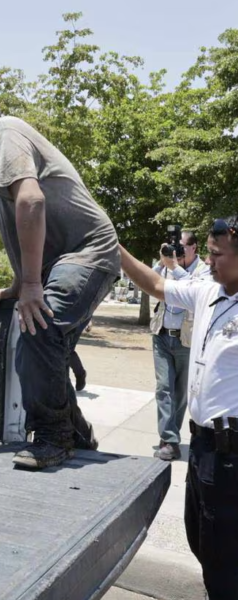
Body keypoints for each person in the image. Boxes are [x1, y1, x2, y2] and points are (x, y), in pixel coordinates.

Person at [0, 81, 120, 470]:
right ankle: (76, 431)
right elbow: (16, 229)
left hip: (87, 251)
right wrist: (20, 282)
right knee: (36, 349)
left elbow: (32, 201)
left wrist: (32, 285)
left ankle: (54, 436)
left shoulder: (6, 131)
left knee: (39, 326)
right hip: (59, 262)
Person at [120, 217, 238, 600]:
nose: (209, 259)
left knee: (224, 552)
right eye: (208, 251)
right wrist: (112, 247)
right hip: (202, 447)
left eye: (217, 254)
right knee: (200, 535)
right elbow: (156, 284)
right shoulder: (206, 292)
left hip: (231, 455)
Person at [150, 231, 210, 461]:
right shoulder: (167, 264)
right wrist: (162, 261)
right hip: (162, 335)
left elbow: (195, 291)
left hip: (186, 340)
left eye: (182, 246)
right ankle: (170, 439)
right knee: (163, 388)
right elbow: (150, 280)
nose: (177, 250)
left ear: (194, 247)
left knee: (180, 393)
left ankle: (169, 436)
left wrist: (174, 267)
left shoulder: (203, 270)